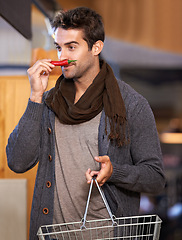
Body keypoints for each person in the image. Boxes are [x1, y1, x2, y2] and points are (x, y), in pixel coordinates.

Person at [6, 7, 165, 240]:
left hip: (107, 235)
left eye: (71, 47)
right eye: (59, 47)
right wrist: (35, 97)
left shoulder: (132, 105)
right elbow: (18, 162)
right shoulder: (49, 101)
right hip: (54, 235)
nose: (62, 57)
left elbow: (155, 178)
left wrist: (115, 172)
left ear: (96, 47)